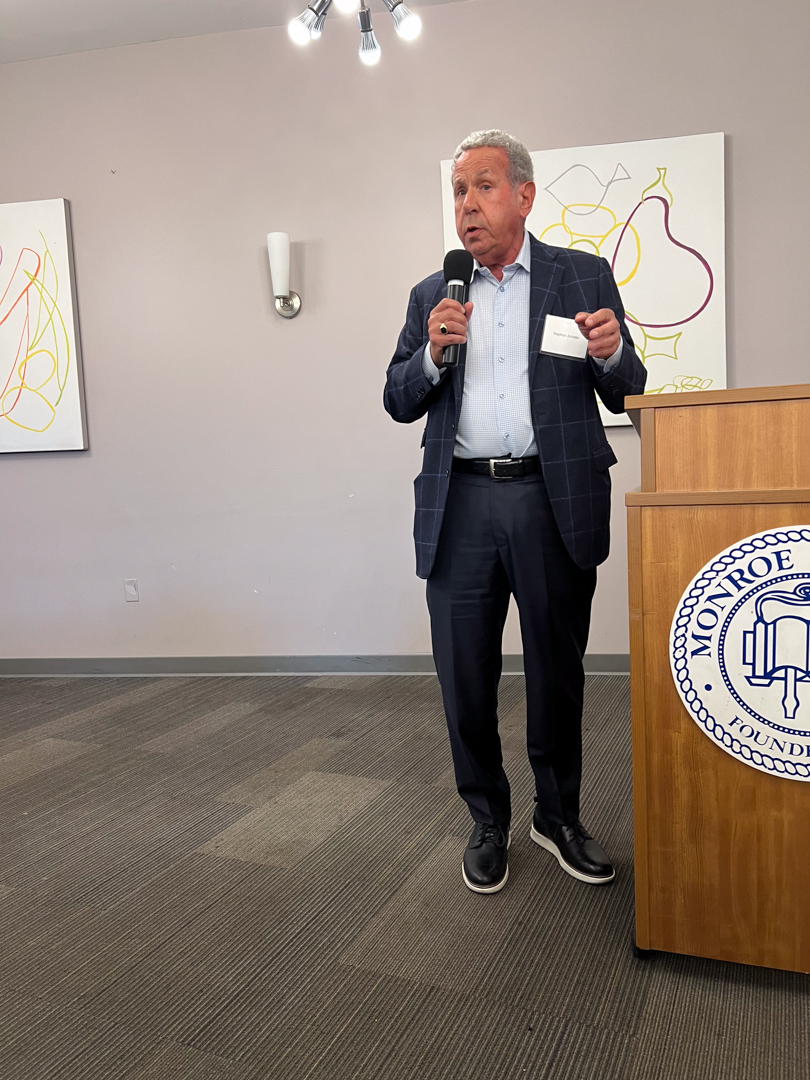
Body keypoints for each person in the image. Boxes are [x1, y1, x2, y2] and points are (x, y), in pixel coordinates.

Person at [384, 130, 647, 894]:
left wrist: (608, 352)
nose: (467, 204)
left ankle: (557, 816)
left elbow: (628, 390)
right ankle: (487, 819)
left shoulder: (580, 276)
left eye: (484, 187)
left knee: (556, 672)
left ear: (525, 196)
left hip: (549, 497)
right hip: (460, 502)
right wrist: (431, 355)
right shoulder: (432, 294)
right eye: (458, 191)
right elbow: (397, 398)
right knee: (463, 675)